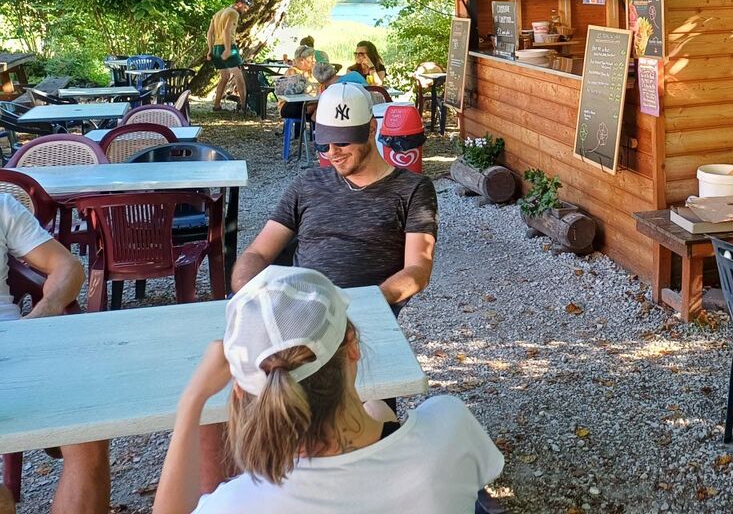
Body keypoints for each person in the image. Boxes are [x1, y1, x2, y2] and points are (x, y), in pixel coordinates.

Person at [153, 266, 503, 514]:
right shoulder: (449, 426)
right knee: (378, 410)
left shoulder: (237, 503)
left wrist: (192, 400)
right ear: (352, 344)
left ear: (244, 392)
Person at [233, 82, 437, 310]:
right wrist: (246, 293)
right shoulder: (307, 183)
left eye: (342, 141)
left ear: (371, 129)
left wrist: (362, 302)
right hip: (296, 309)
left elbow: (418, 270)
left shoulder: (412, 189)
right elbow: (258, 252)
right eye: (323, 144)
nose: (332, 152)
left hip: (361, 311)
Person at [0, 191, 110, 514]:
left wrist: (41, 314)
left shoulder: (2, 206)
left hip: (14, 348)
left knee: (88, 429)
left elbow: (68, 268)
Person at [206, 0, 252, 111]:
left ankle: (217, 105)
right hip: (228, 46)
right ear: (239, 4)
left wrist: (210, 50)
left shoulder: (218, 14)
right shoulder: (233, 13)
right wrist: (227, 49)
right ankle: (244, 105)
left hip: (216, 48)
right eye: (245, 7)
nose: (245, 10)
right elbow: (227, 31)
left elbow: (210, 33)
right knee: (238, 75)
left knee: (225, 76)